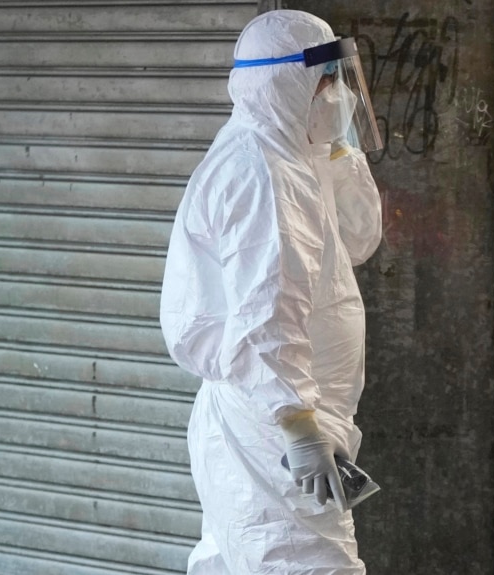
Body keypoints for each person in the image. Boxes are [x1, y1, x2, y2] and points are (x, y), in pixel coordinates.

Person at [158, 9, 383, 574]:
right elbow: (267, 311)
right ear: (290, 83)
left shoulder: (295, 157)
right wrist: (298, 427)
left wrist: (337, 153)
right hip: (274, 429)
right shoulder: (262, 171)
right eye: (329, 83)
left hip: (281, 419)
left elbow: (358, 241)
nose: (339, 97)